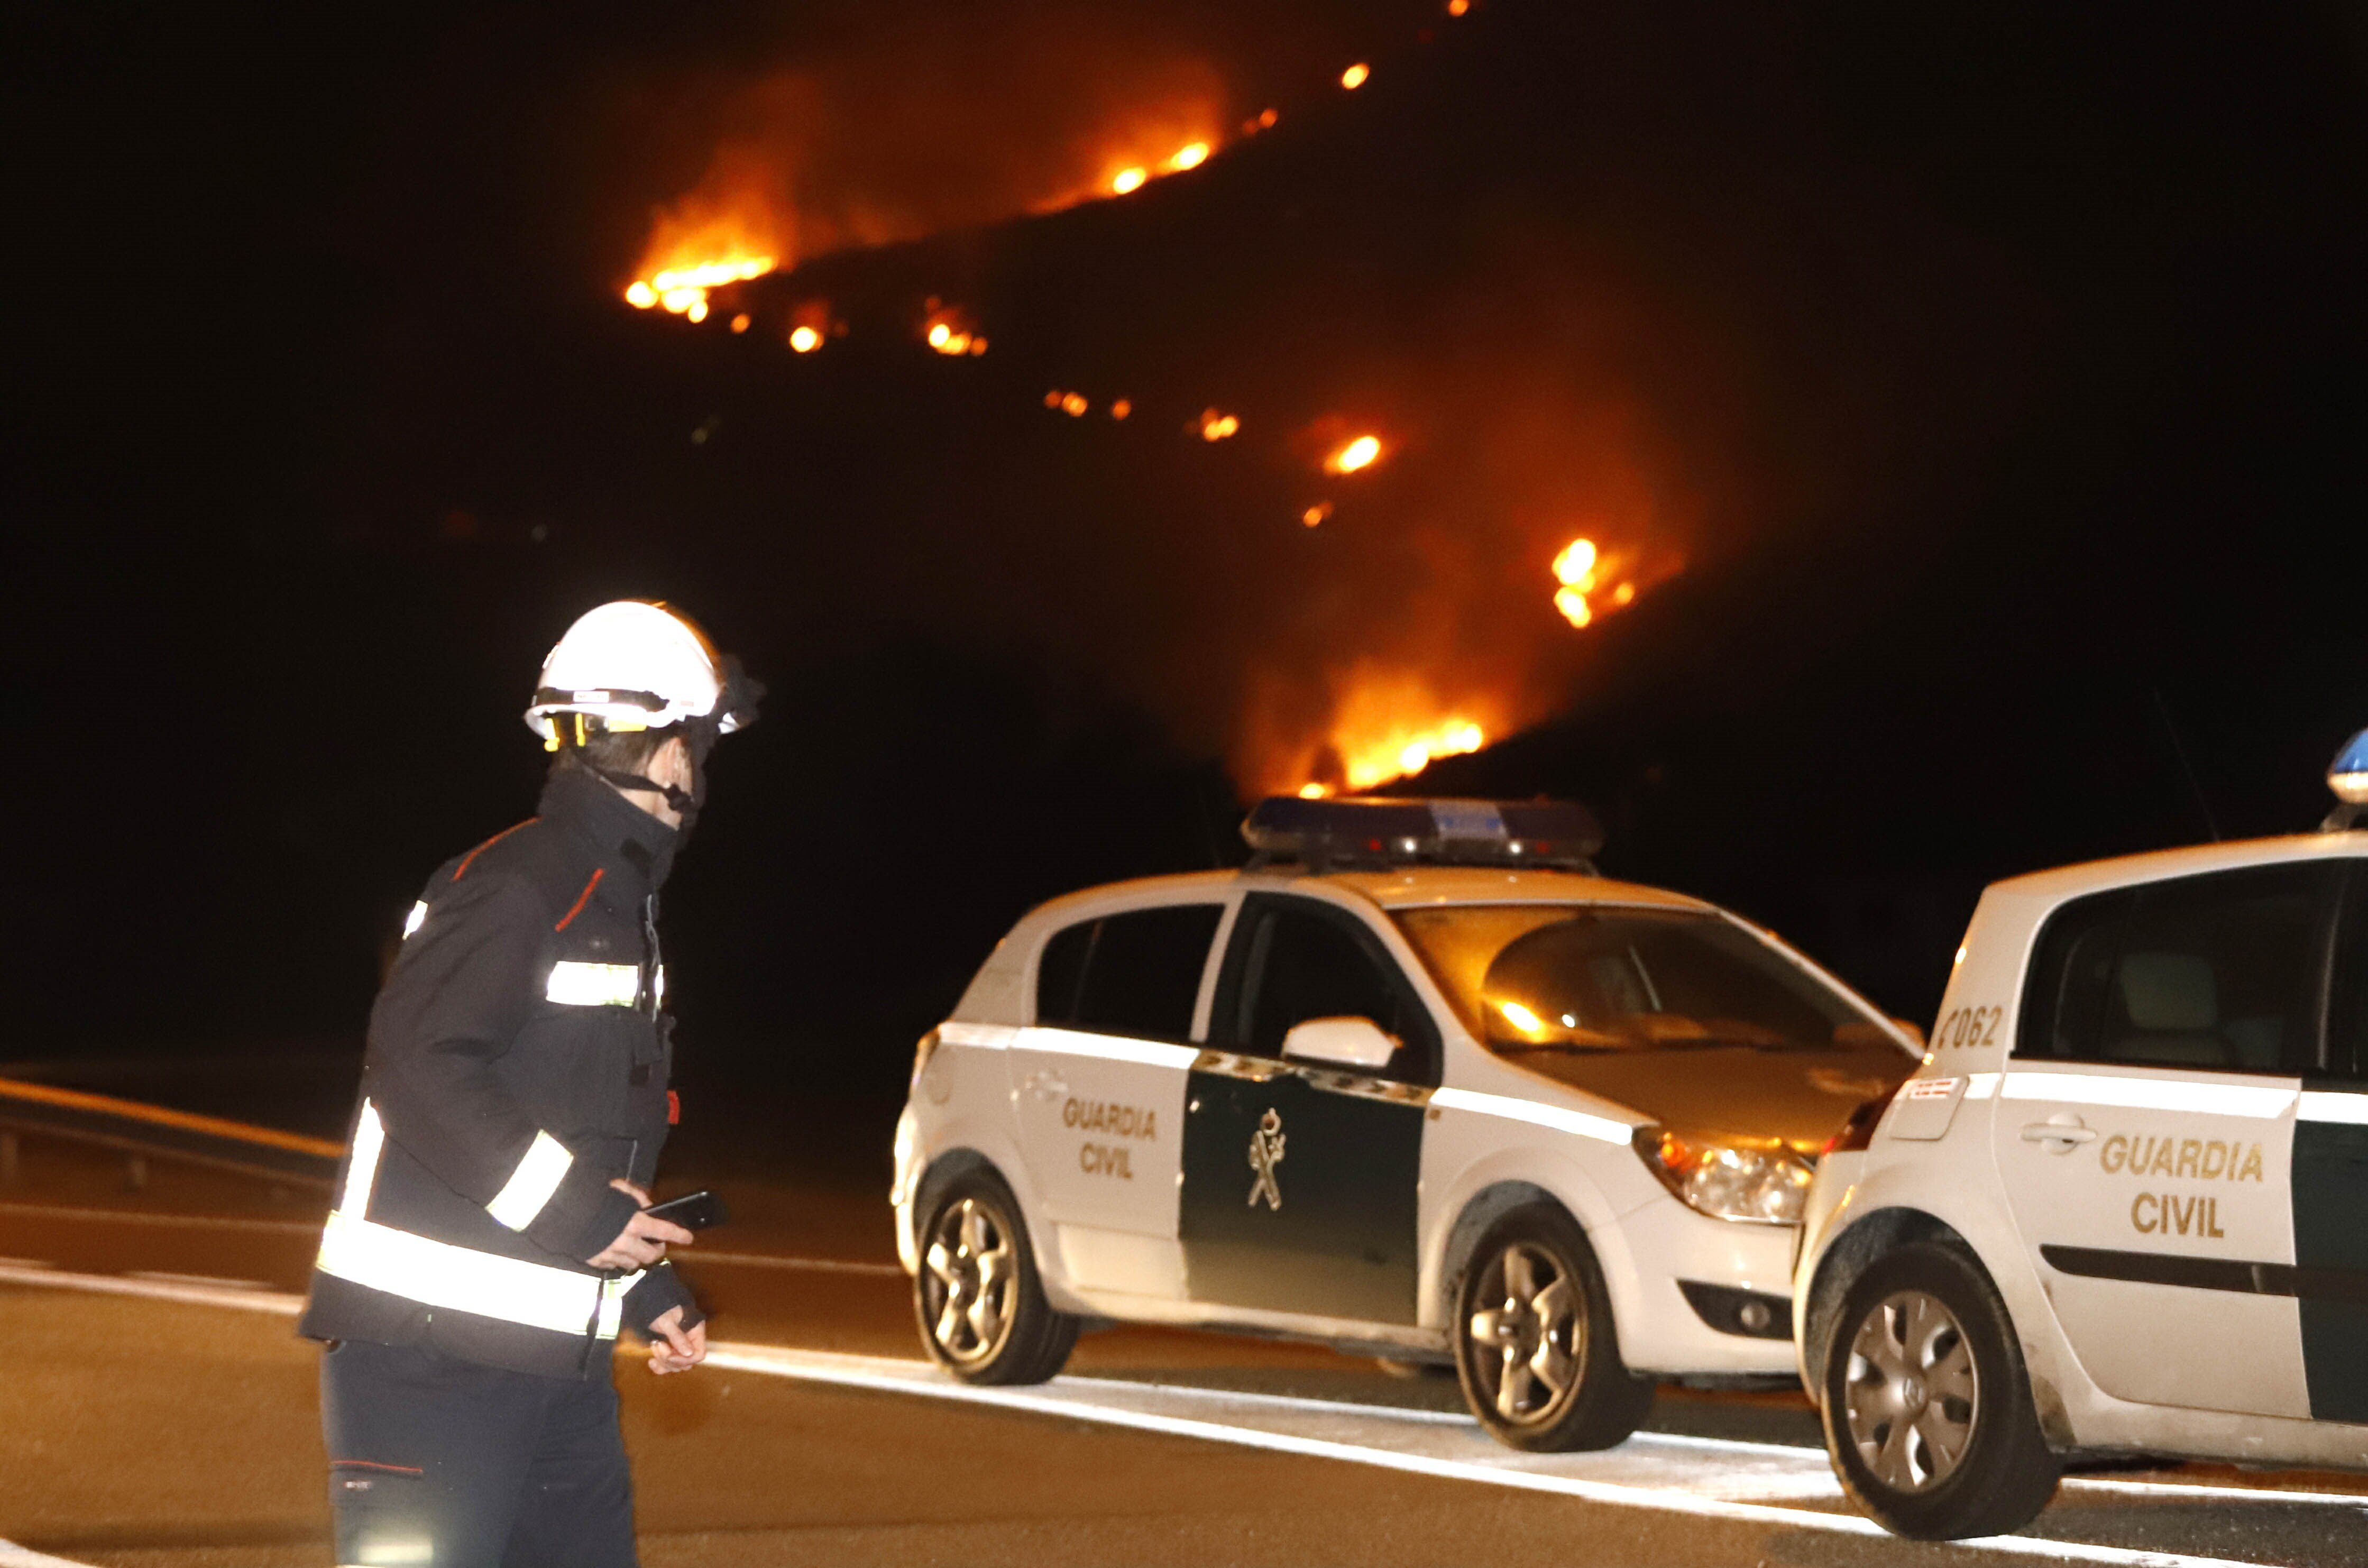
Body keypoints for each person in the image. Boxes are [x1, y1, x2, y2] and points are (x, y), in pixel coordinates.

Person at [299, 600, 760, 1567]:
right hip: (428, 1370)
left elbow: (566, 1124)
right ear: (673, 753)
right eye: (700, 745)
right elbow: (417, 1066)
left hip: (554, 1367)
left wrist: (640, 1282)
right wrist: (584, 1217)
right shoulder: (517, 885)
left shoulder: (613, 901)